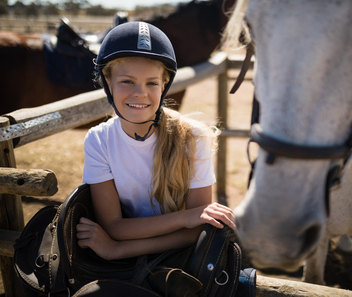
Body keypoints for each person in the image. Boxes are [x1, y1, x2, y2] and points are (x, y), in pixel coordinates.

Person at [76, 21, 235, 261]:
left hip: (182, 259)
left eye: (151, 83)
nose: (139, 92)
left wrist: (118, 249)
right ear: (108, 83)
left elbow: (196, 231)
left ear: (164, 85)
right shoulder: (99, 140)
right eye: (127, 81)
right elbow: (113, 226)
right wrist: (184, 218)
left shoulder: (193, 137)